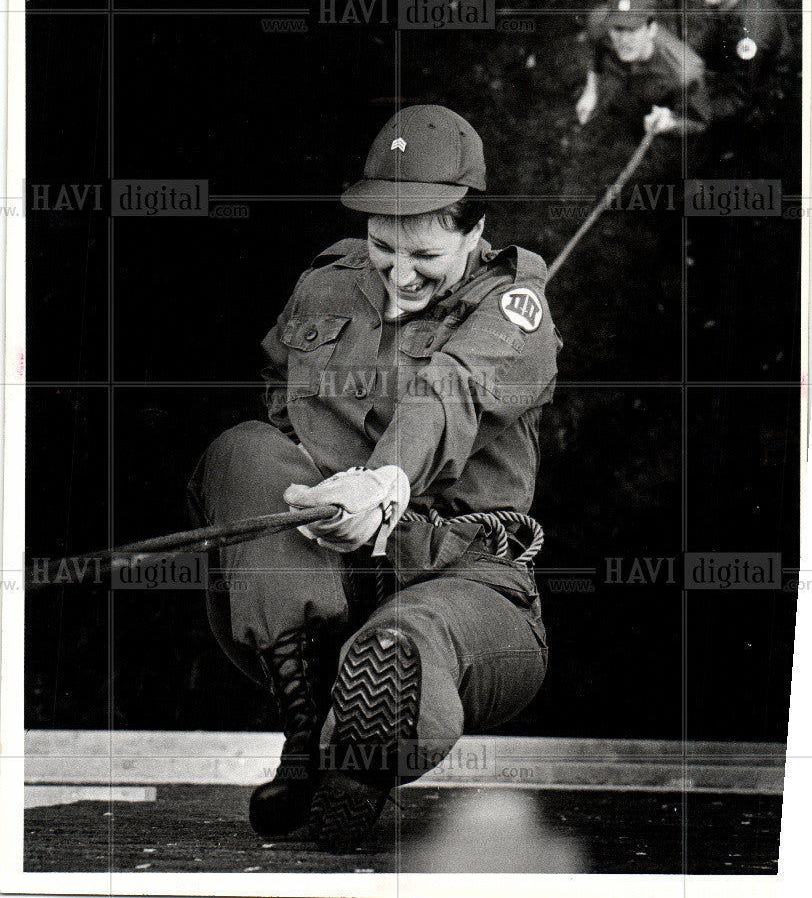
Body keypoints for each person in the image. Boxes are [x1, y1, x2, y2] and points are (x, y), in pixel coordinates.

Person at [187, 105, 562, 853]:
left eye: (424, 254)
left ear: (473, 228)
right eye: (382, 246)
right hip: (330, 574)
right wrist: (316, 491)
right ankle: (307, 733)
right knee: (244, 451)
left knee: (405, 640)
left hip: (462, 576)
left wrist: (385, 480)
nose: (399, 272)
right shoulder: (326, 285)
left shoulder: (514, 312)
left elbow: (448, 393)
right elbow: (278, 385)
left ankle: (363, 752)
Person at [676, 0, 789, 131]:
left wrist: (688, 116)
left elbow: (738, 100)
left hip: (759, 88)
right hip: (727, 26)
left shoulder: (750, 37)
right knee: (685, 63)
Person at [575, 0, 711, 139]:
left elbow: (700, 121)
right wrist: (591, 90)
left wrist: (672, 123)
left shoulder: (685, 72)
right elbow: (597, 52)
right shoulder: (599, 24)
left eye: (633, 30)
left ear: (651, 29)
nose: (624, 41)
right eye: (618, 29)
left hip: (661, 104)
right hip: (629, 86)